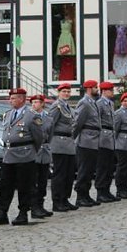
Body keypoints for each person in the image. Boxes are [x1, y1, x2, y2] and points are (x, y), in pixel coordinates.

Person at [0, 87, 44, 226]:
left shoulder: (31, 115)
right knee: (5, 185)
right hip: (8, 155)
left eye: (13, 98)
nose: (10, 101)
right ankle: (2, 213)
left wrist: (31, 151)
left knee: (24, 185)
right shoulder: (8, 114)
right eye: (10, 98)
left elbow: (38, 137)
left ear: (21, 99)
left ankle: (23, 213)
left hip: (24, 154)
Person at [47, 83, 78, 213]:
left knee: (69, 174)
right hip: (58, 142)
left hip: (69, 143)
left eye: (68, 92)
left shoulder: (69, 108)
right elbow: (50, 124)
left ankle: (65, 198)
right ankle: (57, 201)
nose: (66, 94)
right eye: (64, 91)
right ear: (58, 92)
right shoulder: (56, 106)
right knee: (59, 174)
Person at [73, 80, 101, 207]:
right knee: (84, 170)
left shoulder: (92, 102)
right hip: (85, 140)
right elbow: (77, 123)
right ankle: (80, 196)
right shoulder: (84, 103)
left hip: (93, 140)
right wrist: (74, 138)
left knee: (90, 170)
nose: (97, 89)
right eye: (95, 87)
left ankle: (86, 194)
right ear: (89, 88)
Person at [30, 94, 54, 219]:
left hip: (44, 150)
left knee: (43, 180)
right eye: (33, 102)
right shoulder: (29, 116)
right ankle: (34, 207)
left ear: (43, 103)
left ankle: (41, 205)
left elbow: (50, 134)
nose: (34, 104)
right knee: (34, 180)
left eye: (37, 102)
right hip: (34, 150)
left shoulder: (48, 118)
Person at [94, 81, 118, 203]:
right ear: (104, 91)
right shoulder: (99, 104)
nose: (112, 92)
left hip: (110, 137)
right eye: (110, 90)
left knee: (109, 166)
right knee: (102, 166)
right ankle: (100, 191)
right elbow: (97, 120)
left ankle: (107, 190)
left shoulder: (111, 104)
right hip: (103, 137)